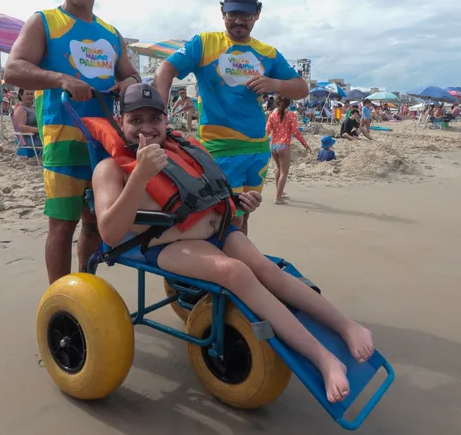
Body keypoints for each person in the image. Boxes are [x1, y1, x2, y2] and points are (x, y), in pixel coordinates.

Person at [90, 84, 374, 404]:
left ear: (166, 120)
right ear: (120, 121)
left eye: (154, 118)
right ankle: (324, 359)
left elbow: (204, 194)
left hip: (218, 231)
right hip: (165, 245)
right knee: (236, 273)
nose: (146, 127)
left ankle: (347, 327)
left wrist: (239, 203)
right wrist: (140, 175)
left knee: (269, 271)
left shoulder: (180, 149)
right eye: (135, 119)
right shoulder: (110, 168)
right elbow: (110, 234)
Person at [4, 0, 141, 284]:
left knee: (95, 222)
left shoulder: (111, 33)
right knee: (62, 226)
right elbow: (14, 70)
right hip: (62, 138)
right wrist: (62, 79)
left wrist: (128, 84)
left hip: (105, 141)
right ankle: (60, 299)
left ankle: (85, 287)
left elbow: (131, 75)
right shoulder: (44, 21)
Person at [153, 0, 309, 235]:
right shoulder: (204, 44)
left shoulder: (268, 53)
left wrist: (274, 83)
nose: (239, 20)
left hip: (257, 149)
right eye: (233, 13)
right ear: (222, 12)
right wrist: (159, 115)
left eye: (245, 14)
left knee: (242, 217)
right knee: (219, 219)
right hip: (218, 149)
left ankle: (238, 267)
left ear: (257, 13)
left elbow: (301, 88)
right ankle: (217, 271)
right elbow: (165, 69)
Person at [266, 95, 310, 204]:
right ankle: (277, 198)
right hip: (284, 145)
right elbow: (296, 132)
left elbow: (266, 130)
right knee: (284, 172)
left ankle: (279, 191)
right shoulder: (291, 115)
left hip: (273, 145)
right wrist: (305, 144)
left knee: (278, 168)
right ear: (289, 104)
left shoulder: (272, 115)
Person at [12, 89, 42, 156]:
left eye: (31, 94)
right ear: (21, 95)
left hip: (38, 136)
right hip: (30, 138)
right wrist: (39, 130)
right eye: (27, 94)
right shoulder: (21, 109)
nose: (30, 96)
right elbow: (21, 127)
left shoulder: (34, 108)